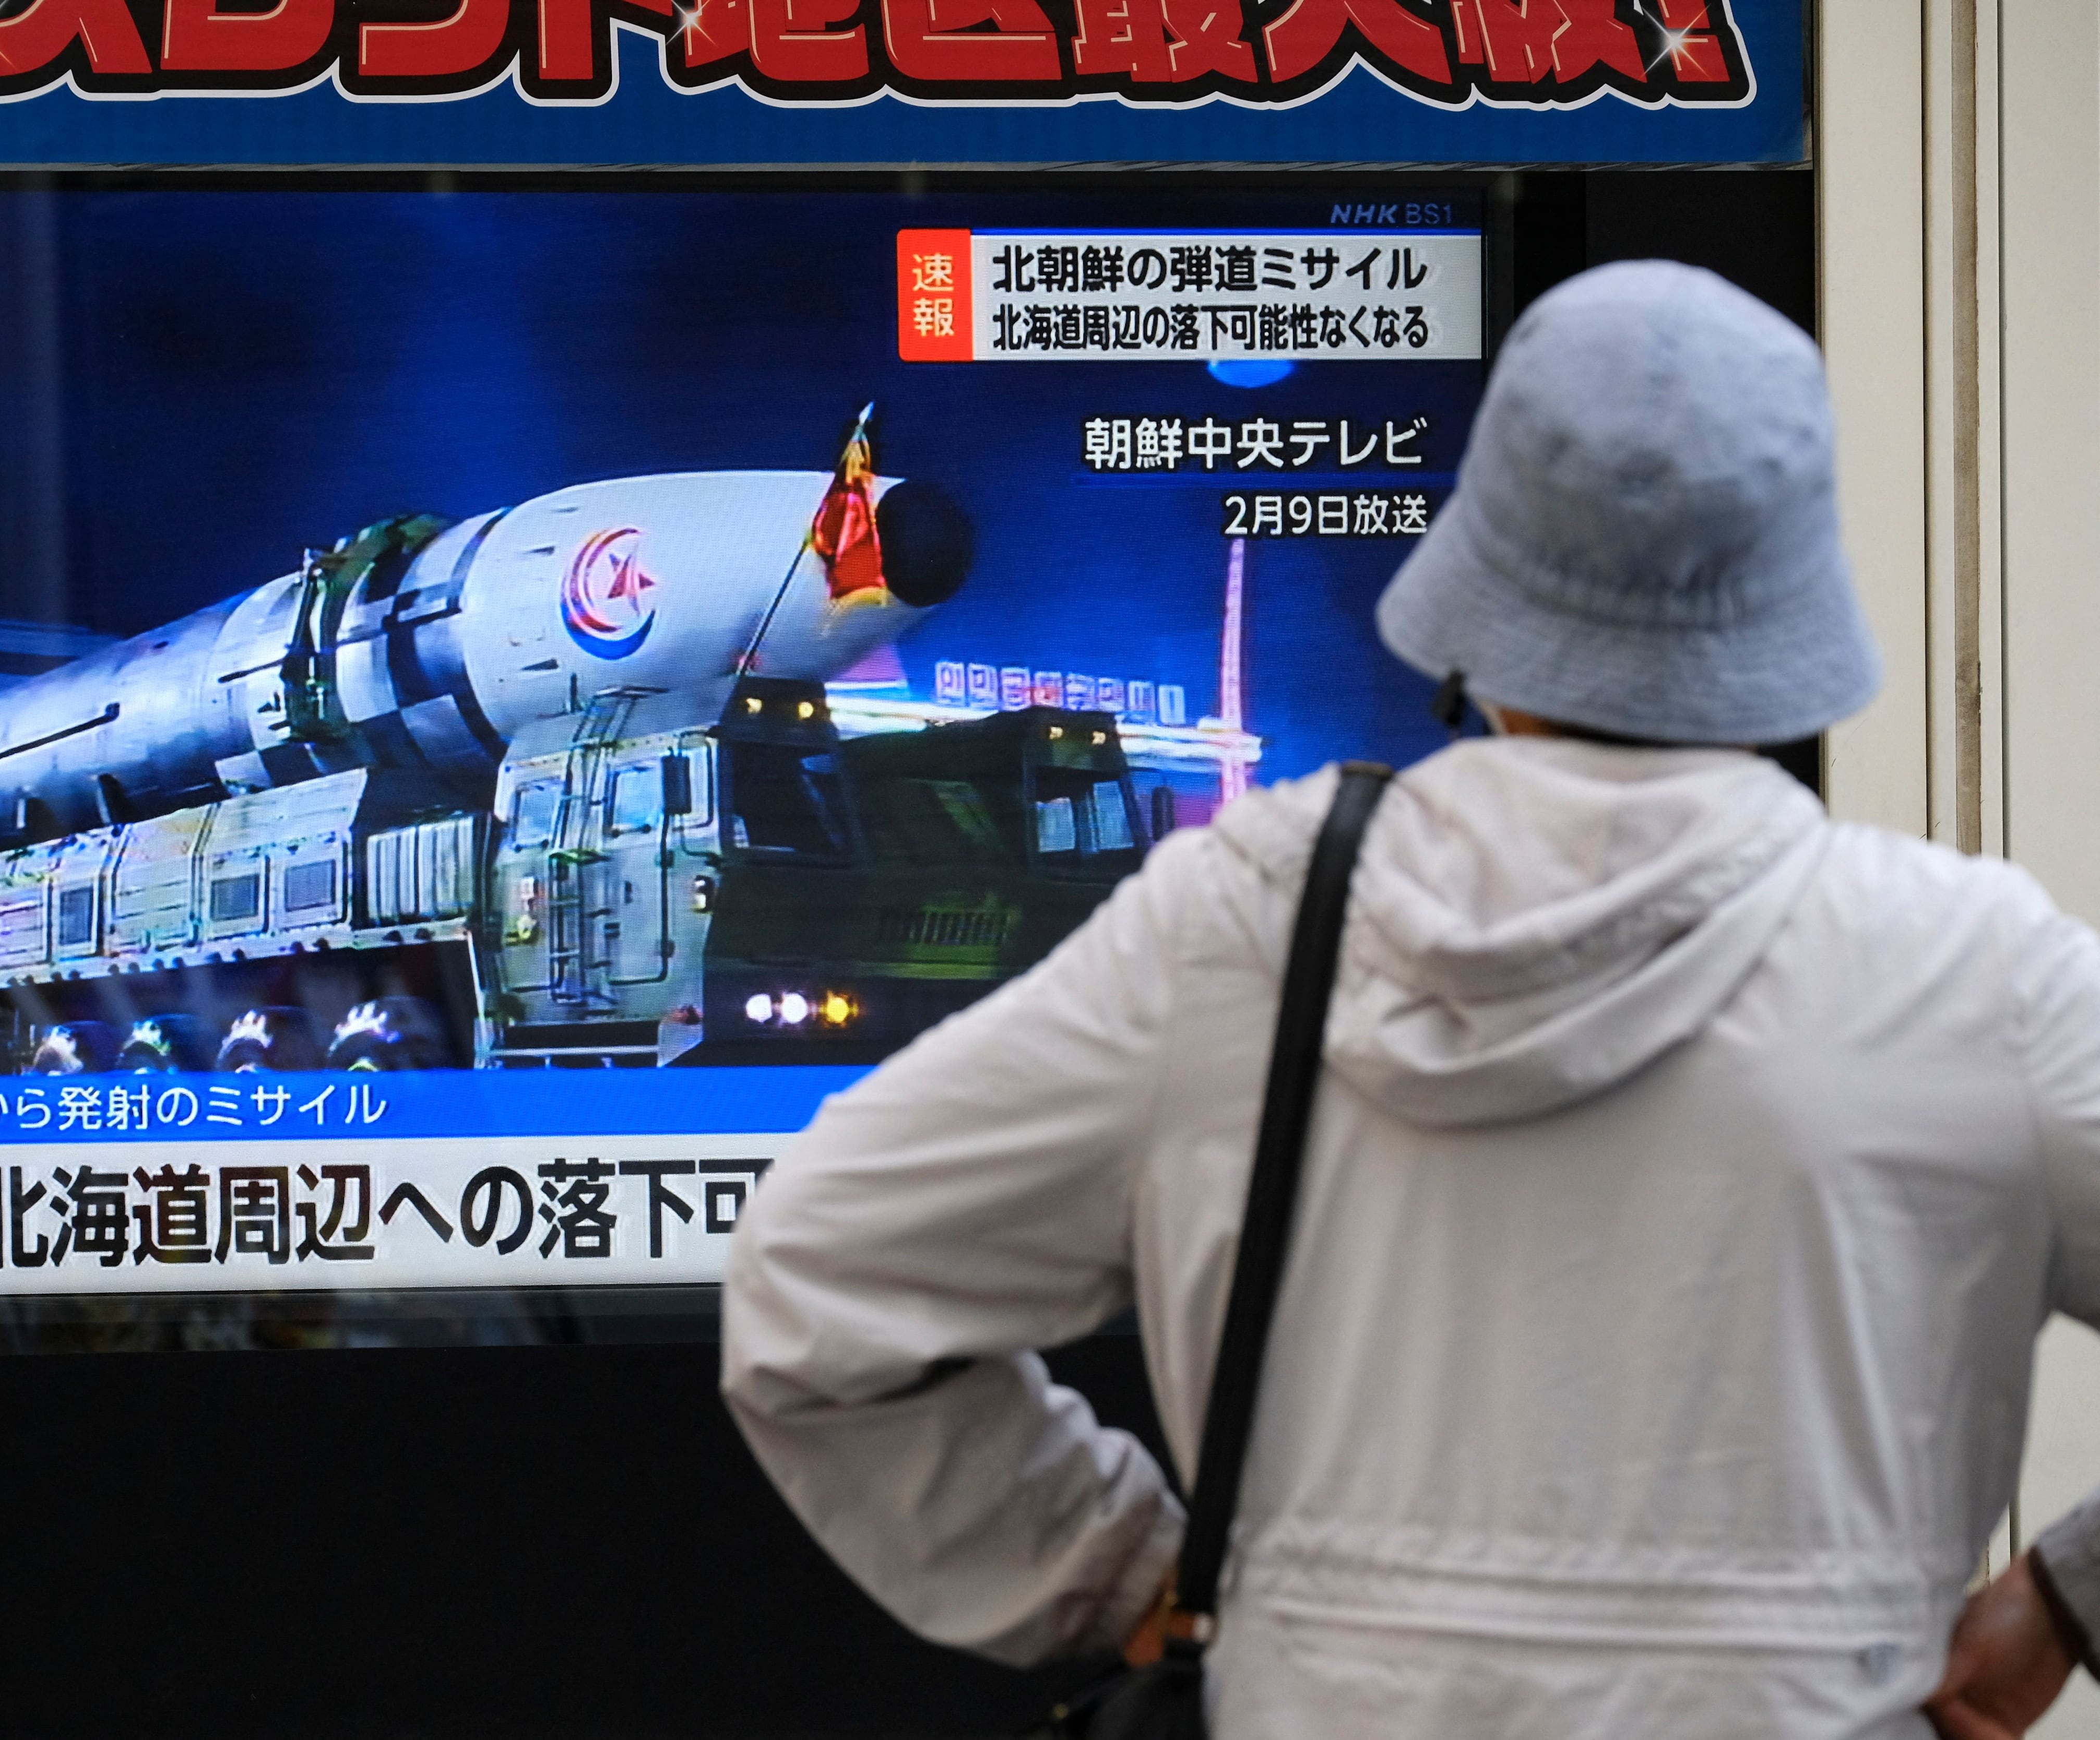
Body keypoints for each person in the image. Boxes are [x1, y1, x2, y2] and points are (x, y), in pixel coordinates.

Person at [718, 260, 2100, 1738]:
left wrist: (1129, 1578)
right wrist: (2066, 1596)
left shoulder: (1244, 926)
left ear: (1479, 597)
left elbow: (821, 1282)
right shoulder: (1978, 971)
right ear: (1790, 616)